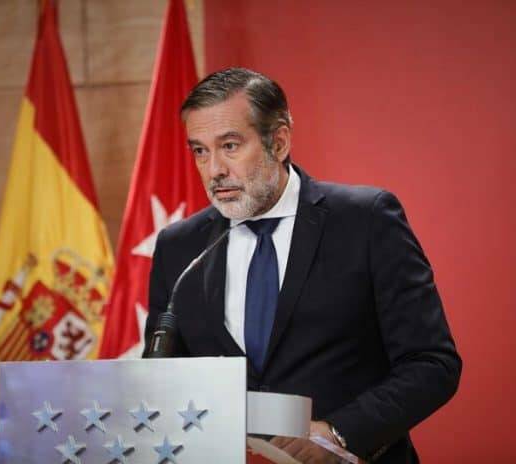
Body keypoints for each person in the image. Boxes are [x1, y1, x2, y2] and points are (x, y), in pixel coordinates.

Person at [144, 68, 461, 463]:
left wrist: (340, 434)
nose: (214, 170)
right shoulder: (179, 247)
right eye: (200, 151)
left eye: (229, 146)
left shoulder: (365, 220)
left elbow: (432, 364)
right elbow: (164, 382)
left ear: (278, 142)